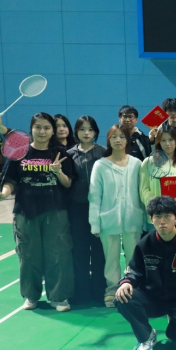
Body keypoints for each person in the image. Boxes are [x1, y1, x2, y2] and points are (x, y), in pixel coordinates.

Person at [0, 113, 75, 311]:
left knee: (58, 254)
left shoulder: (61, 153)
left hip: (55, 210)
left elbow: (68, 183)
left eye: (46, 127)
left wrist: (58, 172)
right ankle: (31, 295)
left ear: (52, 130)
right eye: (38, 127)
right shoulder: (20, 153)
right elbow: (11, 181)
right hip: (26, 211)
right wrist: (3, 194)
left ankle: (58, 297)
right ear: (31, 129)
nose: (42, 131)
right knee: (28, 255)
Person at [115, 196, 176, 350]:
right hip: (153, 298)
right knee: (122, 297)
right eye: (158, 216)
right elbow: (135, 270)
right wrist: (126, 282)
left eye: (167, 216)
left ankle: (174, 327)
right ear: (151, 219)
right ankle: (146, 337)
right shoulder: (145, 243)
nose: (162, 221)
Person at [89, 124, 145, 307]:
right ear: (108, 140)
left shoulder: (137, 164)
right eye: (114, 137)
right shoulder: (100, 165)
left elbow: (142, 193)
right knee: (111, 258)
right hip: (108, 220)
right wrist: (95, 223)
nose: (118, 140)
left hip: (133, 218)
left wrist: (145, 219)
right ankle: (112, 289)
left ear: (127, 140)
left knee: (133, 257)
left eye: (122, 136)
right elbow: (94, 196)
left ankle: (132, 288)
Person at [67, 116, 107, 304]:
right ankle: (81, 291)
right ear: (76, 131)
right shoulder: (68, 154)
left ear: (95, 132)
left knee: (99, 251)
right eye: (82, 129)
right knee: (79, 251)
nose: (86, 133)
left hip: (99, 210)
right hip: (77, 210)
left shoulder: (103, 152)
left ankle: (99, 290)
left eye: (90, 129)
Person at [141, 128, 176, 232]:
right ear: (158, 142)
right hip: (156, 218)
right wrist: (157, 205)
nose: (167, 143)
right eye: (163, 140)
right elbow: (143, 189)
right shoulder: (149, 162)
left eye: (171, 139)